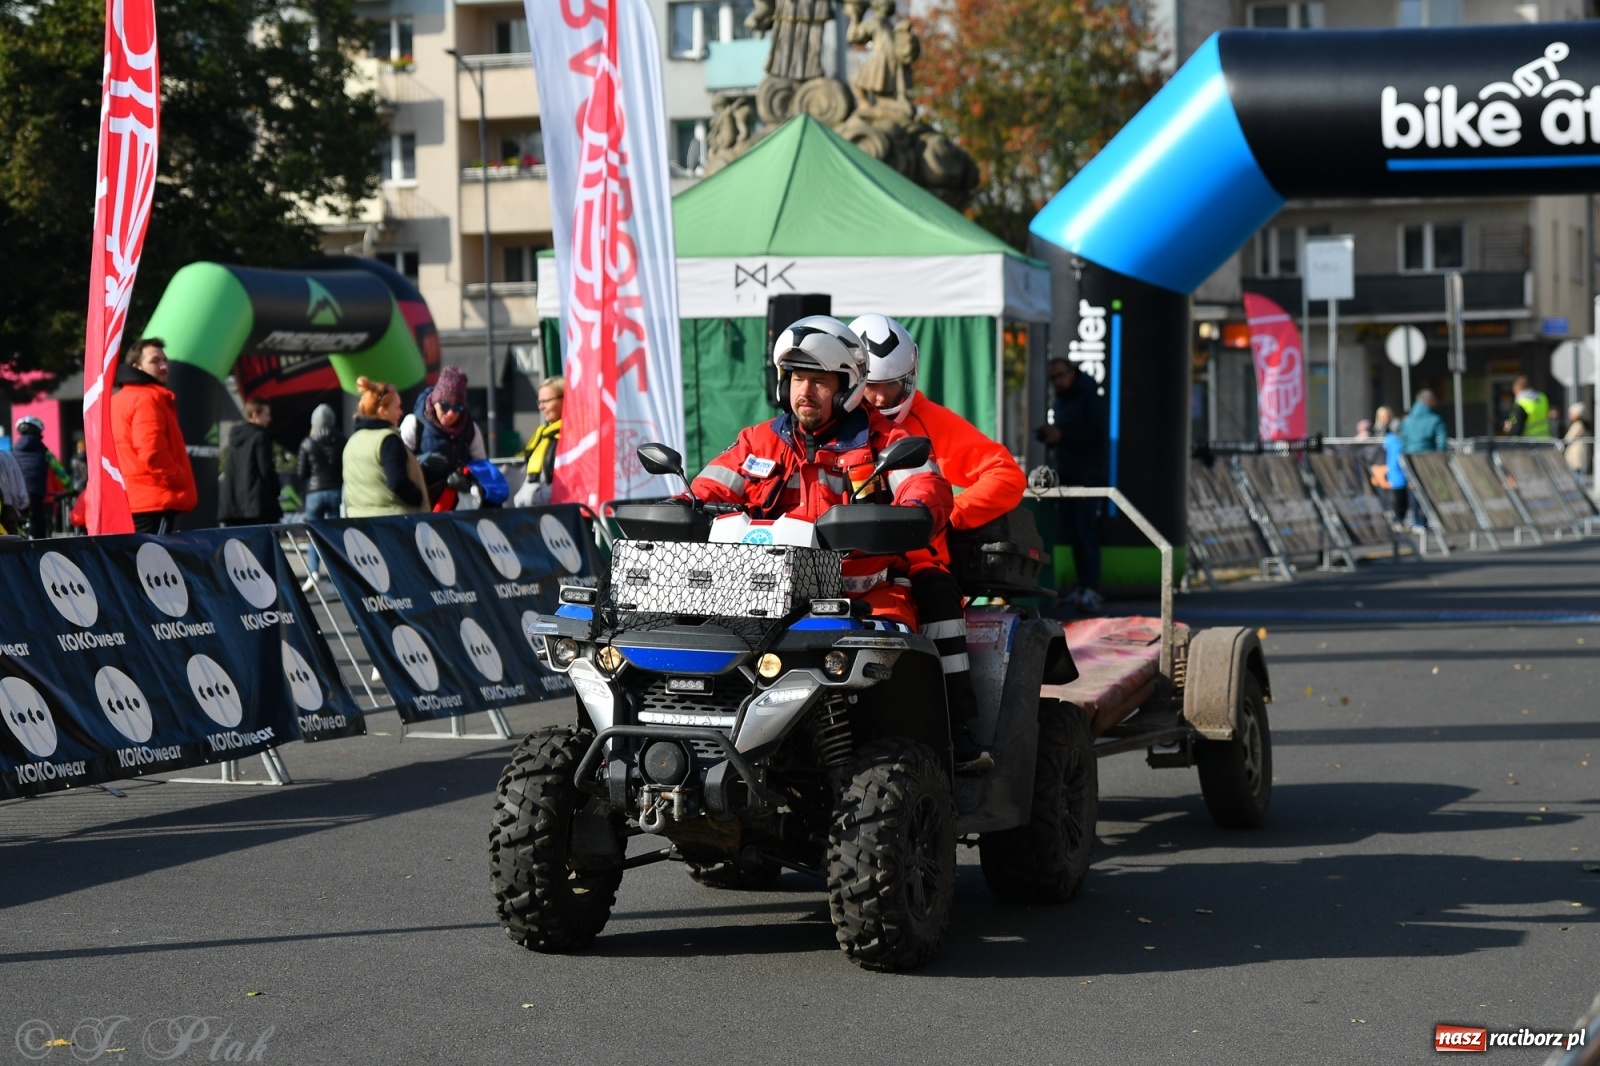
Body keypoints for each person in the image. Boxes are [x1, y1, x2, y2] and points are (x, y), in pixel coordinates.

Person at [689, 317, 990, 773]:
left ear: (848, 387)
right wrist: (681, 505)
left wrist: (918, 507)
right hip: (761, 598)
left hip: (863, 596)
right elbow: (706, 490)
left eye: (819, 381)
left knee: (920, 631)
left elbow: (925, 485)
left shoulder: (888, 440)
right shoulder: (758, 441)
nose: (804, 391)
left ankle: (954, 730)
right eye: (796, 378)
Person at [852, 313, 1025, 773]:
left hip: (917, 561)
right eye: (870, 386)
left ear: (909, 379)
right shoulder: (835, 426)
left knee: (939, 601)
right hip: (844, 561)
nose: (879, 398)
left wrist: (949, 514)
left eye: (889, 386)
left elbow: (1006, 475)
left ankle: (956, 730)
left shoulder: (933, 424)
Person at [1037, 357, 1109, 613]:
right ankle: (1083, 587)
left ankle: (1092, 589)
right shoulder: (1061, 400)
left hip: (1088, 475)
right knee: (1074, 533)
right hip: (1067, 474)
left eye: (1060, 375)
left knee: (1085, 531)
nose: (1057, 381)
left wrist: (1062, 435)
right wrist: (1052, 436)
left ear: (1072, 373)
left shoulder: (1089, 397)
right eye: (1053, 378)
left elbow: (1097, 434)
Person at [112, 337, 198, 534]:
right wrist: (180, 479)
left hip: (128, 500)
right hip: (153, 501)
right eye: (155, 361)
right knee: (154, 554)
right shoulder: (148, 398)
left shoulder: (116, 400)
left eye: (164, 360)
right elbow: (152, 452)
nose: (163, 366)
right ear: (136, 366)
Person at [400, 365, 485, 506]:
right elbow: (397, 465)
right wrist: (420, 462)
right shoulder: (414, 423)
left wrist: (468, 479)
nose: (451, 414)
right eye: (445, 406)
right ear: (435, 402)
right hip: (420, 504)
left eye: (458, 408)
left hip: (456, 506)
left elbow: (482, 468)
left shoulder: (470, 429)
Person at [344, 377, 427, 517]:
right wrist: (419, 497)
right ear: (382, 411)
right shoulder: (388, 440)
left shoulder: (352, 442)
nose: (401, 412)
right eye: (397, 407)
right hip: (392, 521)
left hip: (358, 522)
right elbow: (398, 482)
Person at [297, 403, 345, 589]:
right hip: (335, 491)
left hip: (314, 493)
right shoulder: (341, 440)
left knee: (312, 533)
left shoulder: (307, 443)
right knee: (334, 535)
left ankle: (314, 572)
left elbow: (301, 473)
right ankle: (335, 575)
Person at [217, 398, 282, 527]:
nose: (269, 419)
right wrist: (276, 489)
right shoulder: (261, 436)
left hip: (233, 508)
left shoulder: (234, 438)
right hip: (257, 507)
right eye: (266, 414)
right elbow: (266, 469)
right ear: (255, 415)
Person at [11, 416, 73, 538]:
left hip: (17, 494)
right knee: (40, 529)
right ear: (38, 432)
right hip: (35, 494)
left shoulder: (14, 452)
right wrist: (71, 489)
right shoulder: (44, 452)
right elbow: (60, 472)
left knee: (16, 528)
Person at [513, 376, 563, 507]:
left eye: (546, 401)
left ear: (565, 399)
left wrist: (535, 499)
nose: (541, 407)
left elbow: (571, 479)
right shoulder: (543, 433)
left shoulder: (574, 435)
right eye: (539, 402)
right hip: (536, 508)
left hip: (557, 510)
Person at [1401, 389, 1449, 455]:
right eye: (1434, 399)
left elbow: (1403, 439)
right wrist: (1440, 453)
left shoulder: (1407, 420)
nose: (1436, 402)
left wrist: (1406, 452)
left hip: (1410, 454)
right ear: (1429, 400)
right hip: (1429, 454)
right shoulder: (1435, 419)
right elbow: (1442, 439)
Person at [0, 446, 29, 535]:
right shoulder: (6, 457)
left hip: (7, 507)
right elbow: (19, 483)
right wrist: (21, 504)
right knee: (12, 539)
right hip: (8, 508)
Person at [1564, 402, 1591, 482]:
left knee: (1578, 476)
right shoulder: (1582, 423)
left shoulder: (1578, 424)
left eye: (1571, 413)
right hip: (1579, 453)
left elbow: (1568, 438)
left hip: (1577, 453)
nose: (1569, 416)